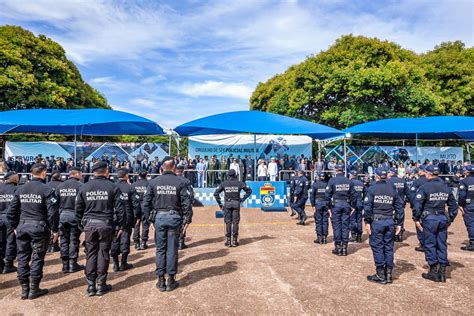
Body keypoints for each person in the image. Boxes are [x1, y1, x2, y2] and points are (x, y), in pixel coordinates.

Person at [7, 163, 59, 300]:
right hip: (39, 228)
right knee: (37, 258)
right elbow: (52, 213)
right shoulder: (47, 189)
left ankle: (25, 288)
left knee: (23, 258)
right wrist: (54, 229)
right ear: (43, 173)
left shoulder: (21, 189)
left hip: (23, 227)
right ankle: (33, 288)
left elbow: (11, 211)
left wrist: (14, 227)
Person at [75, 161, 125, 296]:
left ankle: (91, 285)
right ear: (106, 170)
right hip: (106, 224)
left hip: (90, 225)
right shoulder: (112, 187)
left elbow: (78, 209)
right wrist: (120, 225)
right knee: (103, 253)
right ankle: (101, 284)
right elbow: (120, 209)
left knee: (91, 253)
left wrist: (81, 225)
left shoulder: (84, 187)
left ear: (94, 172)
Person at [143, 157, 192, 292]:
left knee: (160, 249)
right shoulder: (180, 182)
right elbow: (186, 202)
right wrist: (187, 219)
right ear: (174, 168)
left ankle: (161, 280)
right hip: (174, 217)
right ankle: (170, 279)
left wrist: (150, 220)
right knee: (172, 249)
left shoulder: (153, 182)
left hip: (159, 217)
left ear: (162, 168)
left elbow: (145, 203)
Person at [413, 165, 458, 283]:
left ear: (428, 174)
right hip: (442, 218)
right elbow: (453, 205)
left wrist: (416, 219)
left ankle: (433, 271)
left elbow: (417, 206)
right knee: (442, 244)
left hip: (430, 219)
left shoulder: (425, 187)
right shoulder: (446, 187)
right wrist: (450, 219)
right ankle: (442, 272)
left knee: (430, 244)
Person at [364, 168, 404, 284]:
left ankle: (380, 274)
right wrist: (399, 223)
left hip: (377, 222)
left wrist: (367, 222)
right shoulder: (392, 189)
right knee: (388, 248)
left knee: (378, 247)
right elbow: (399, 207)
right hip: (389, 221)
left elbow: (367, 208)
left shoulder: (373, 188)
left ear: (376, 176)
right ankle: (389, 274)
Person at [213, 169, 252, 247]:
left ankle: (228, 241)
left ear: (228, 175)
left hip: (227, 204)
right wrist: (242, 199)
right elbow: (249, 191)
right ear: (236, 175)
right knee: (235, 222)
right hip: (236, 203)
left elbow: (216, 193)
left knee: (228, 222)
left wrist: (220, 204)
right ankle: (234, 241)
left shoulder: (224, 183)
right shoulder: (239, 183)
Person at [56, 167, 84, 273]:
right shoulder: (81, 186)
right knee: (74, 240)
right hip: (74, 216)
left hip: (63, 215)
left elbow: (55, 203)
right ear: (77, 174)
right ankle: (72, 264)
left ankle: (65, 265)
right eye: (80, 174)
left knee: (63, 241)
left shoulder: (60, 186)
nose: (81, 175)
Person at [326, 164, 356, 256]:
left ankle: (338, 246)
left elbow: (327, 195)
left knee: (337, 226)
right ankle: (344, 247)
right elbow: (353, 195)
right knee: (345, 226)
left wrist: (329, 208)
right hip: (346, 205)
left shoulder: (332, 180)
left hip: (336, 206)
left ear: (336, 171)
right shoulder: (349, 181)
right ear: (343, 170)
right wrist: (353, 206)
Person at [111, 168, 138, 272]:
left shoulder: (112, 187)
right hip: (127, 217)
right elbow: (136, 205)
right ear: (126, 176)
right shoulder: (130, 188)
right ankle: (123, 263)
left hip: (114, 218)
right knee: (125, 240)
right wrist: (136, 217)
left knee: (114, 239)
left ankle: (115, 265)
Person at [0, 171, 19, 274]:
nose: (18, 179)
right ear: (13, 179)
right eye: (17, 177)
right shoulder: (16, 189)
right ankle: (8, 264)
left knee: (0, 241)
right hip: (10, 218)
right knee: (11, 241)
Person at [409, 167, 428, 252]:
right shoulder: (432, 181)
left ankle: (423, 244)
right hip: (432, 208)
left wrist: (414, 207)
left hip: (420, 207)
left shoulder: (417, 182)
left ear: (420, 172)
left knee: (420, 225)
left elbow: (412, 196)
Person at [175, 165, 194, 250]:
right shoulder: (186, 180)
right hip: (184, 205)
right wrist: (191, 202)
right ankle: (181, 242)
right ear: (183, 172)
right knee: (185, 222)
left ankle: (176, 242)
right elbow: (191, 193)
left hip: (174, 205)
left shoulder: (172, 180)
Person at [132, 170, 150, 250]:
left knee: (137, 223)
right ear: (146, 175)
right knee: (145, 224)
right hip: (145, 205)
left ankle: (136, 243)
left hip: (136, 206)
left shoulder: (134, 184)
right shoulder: (149, 183)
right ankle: (143, 242)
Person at [388, 167, 407, 242]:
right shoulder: (402, 181)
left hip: (391, 203)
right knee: (400, 217)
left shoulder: (389, 181)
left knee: (391, 218)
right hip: (401, 202)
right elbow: (407, 193)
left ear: (391, 173)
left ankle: (393, 234)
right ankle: (400, 234)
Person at [310, 172, 329, 244]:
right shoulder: (327, 184)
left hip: (318, 203)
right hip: (326, 203)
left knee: (318, 221)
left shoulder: (315, 184)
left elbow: (312, 195)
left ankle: (319, 237)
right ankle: (324, 237)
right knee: (325, 220)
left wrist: (313, 205)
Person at [458, 165, 474, 251]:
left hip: (469, 205)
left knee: (471, 223)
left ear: (467, 172)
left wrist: (460, 204)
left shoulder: (464, 181)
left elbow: (462, 196)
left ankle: (472, 243)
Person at [47, 170, 63, 253]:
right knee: (56, 229)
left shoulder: (46, 185)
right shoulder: (62, 185)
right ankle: (54, 245)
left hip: (47, 210)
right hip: (58, 210)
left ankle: (49, 245)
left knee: (49, 228)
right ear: (59, 177)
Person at [349, 170, 365, 243]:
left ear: (351, 175)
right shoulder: (361, 183)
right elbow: (365, 194)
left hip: (353, 204)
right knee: (359, 220)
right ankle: (359, 236)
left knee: (352, 220)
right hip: (360, 202)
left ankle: (353, 235)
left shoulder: (350, 183)